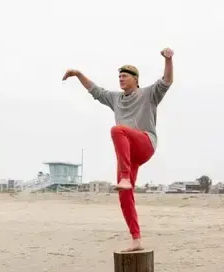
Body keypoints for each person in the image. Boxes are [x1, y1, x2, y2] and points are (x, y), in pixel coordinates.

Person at [62, 48, 174, 252]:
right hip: (128, 155)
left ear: (135, 79)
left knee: (117, 130)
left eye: (124, 76)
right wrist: (78, 75)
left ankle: (124, 178)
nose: (121, 80)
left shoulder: (148, 94)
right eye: (119, 77)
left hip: (145, 143)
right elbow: (96, 91)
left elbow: (167, 80)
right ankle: (136, 238)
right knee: (124, 195)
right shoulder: (115, 99)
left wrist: (168, 59)